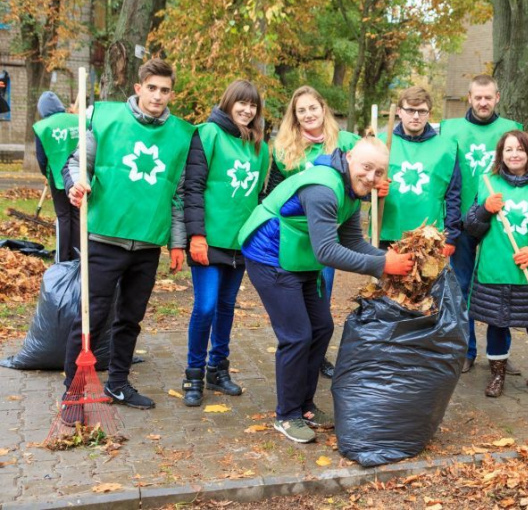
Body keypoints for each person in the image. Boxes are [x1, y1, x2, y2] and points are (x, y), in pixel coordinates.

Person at [238, 138, 414, 443]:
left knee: (321, 327)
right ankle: (287, 415)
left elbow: (353, 242)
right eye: (366, 167)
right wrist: (384, 264)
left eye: (379, 172)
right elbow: (328, 252)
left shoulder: (351, 193)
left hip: (299, 255)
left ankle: (305, 405)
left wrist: (386, 258)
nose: (371, 177)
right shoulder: (324, 190)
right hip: (269, 253)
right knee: (296, 335)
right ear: (348, 159)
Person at [61, 59, 194, 421]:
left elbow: (179, 194)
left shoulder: (181, 135)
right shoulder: (105, 117)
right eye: (151, 88)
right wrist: (77, 184)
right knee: (91, 315)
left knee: (130, 318)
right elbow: (76, 163)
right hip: (105, 238)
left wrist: (177, 242)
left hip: (147, 244)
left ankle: (117, 382)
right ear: (138, 88)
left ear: (171, 93)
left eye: (165, 90)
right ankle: (72, 391)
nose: (158, 96)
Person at [181, 80, 270, 407]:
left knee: (226, 307)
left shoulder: (261, 147)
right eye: (242, 103)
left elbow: (260, 196)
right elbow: (192, 188)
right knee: (205, 306)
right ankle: (193, 373)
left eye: (253, 106)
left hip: (240, 242)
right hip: (209, 240)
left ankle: (218, 368)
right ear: (228, 102)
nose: (247, 110)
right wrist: (197, 236)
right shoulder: (207, 134)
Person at [466, 131, 528, 403]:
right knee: (497, 325)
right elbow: (471, 228)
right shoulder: (488, 183)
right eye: (508, 150)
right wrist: (484, 209)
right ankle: (497, 375)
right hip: (495, 269)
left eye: (520, 149)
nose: (514, 154)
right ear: (501, 155)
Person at [267, 86, 360, 379]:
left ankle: (317, 356)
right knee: (297, 297)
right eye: (301, 110)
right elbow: (273, 192)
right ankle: (298, 351)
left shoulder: (346, 142)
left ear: (323, 108)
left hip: (327, 235)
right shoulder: (284, 149)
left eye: (313, 108)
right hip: (295, 237)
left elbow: (365, 173)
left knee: (322, 294)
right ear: (294, 116)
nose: (308, 114)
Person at [440, 74, 523, 374]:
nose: (483, 102)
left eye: (489, 97)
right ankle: (467, 349)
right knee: (461, 286)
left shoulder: (511, 130)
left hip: (498, 223)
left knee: (498, 287)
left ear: (497, 97)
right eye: (478, 97)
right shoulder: (451, 130)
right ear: (470, 97)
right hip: (462, 221)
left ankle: (498, 354)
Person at [377, 86, 460, 253]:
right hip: (387, 232)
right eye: (410, 110)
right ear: (399, 111)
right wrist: (372, 190)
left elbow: (453, 196)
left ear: (429, 113)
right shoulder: (382, 143)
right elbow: (361, 183)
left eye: (422, 111)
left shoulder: (446, 149)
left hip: (429, 235)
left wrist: (451, 236)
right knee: (386, 279)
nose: (416, 116)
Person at [33, 91, 80, 261]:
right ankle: (77, 256)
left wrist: (46, 172)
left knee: (63, 217)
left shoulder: (43, 127)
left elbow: (41, 157)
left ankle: (62, 258)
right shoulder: (78, 119)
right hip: (80, 176)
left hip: (58, 176)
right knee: (76, 215)